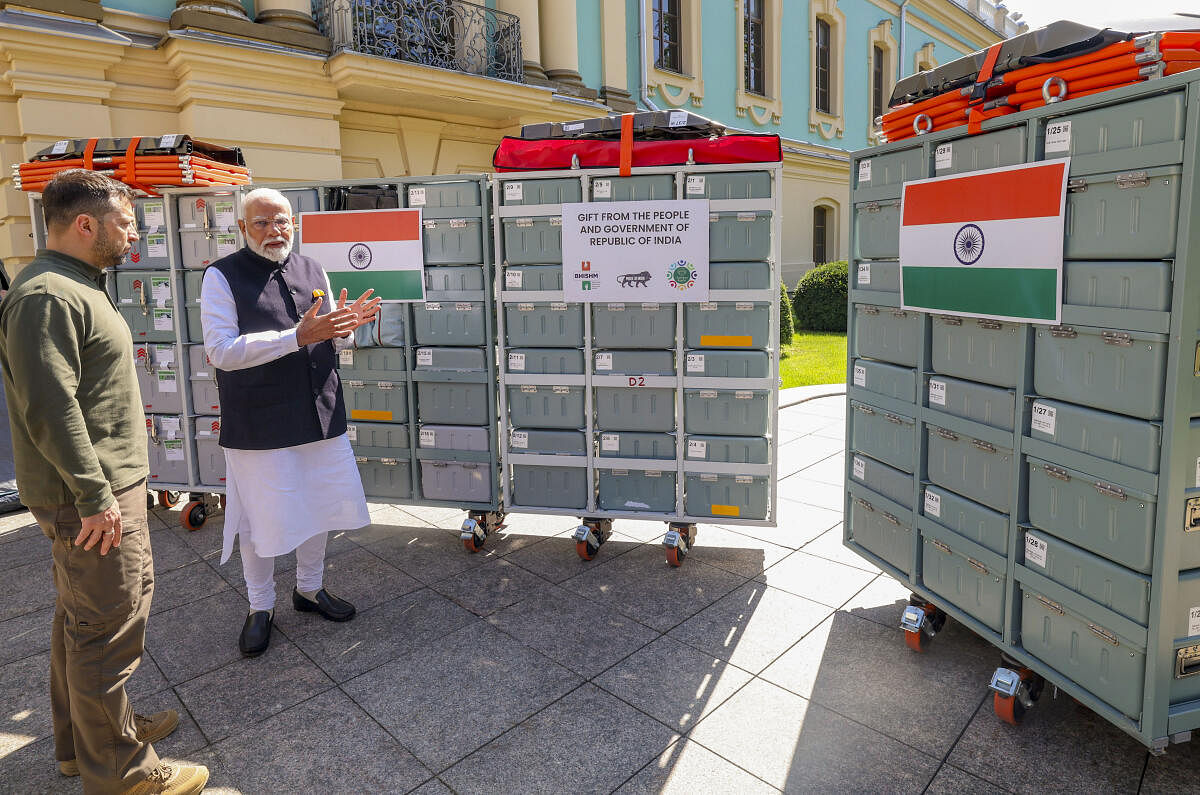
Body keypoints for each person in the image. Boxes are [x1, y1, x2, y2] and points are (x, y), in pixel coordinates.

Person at [0, 169, 208, 793]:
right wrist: (94, 497)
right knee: (107, 629)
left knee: (83, 620)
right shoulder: (49, 296)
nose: (135, 230)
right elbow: (50, 407)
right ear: (85, 224)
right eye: (124, 220)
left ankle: (83, 743)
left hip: (96, 489)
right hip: (86, 497)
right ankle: (121, 772)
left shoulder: (76, 284)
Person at [201, 187, 381, 657]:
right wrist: (296, 336)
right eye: (261, 222)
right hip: (259, 419)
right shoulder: (221, 276)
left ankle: (309, 588)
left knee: (319, 503)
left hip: (319, 410)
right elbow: (220, 351)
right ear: (242, 228)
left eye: (281, 221)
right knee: (259, 519)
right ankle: (260, 606)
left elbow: (324, 340)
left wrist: (344, 331)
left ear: (293, 223)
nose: (273, 231)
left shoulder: (311, 268)